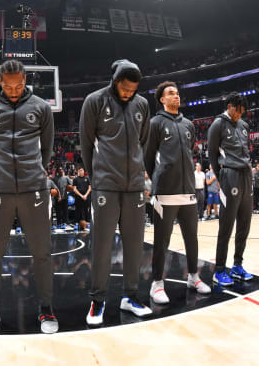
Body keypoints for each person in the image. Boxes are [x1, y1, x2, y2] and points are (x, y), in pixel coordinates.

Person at [0, 60, 57, 335]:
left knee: (42, 254)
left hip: (34, 189)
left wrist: (34, 171)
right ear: (0, 81)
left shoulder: (42, 107)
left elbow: (47, 148)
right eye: (8, 85)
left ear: (25, 80)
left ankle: (46, 309)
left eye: (19, 85)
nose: (13, 90)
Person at [80, 59, 152, 326]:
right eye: (124, 88)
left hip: (134, 186)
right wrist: (97, 175)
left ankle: (130, 296)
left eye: (133, 90)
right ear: (115, 81)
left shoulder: (142, 105)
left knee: (135, 244)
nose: (128, 93)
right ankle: (97, 300)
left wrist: (136, 168)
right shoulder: (94, 101)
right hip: (105, 185)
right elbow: (86, 143)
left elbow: (142, 141)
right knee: (102, 245)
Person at [145, 82, 211, 304]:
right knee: (161, 241)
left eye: (177, 93)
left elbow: (189, 153)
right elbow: (148, 157)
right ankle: (157, 283)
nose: (176, 96)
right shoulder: (155, 123)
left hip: (188, 193)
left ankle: (194, 276)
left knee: (191, 238)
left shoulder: (188, 125)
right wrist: (159, 181)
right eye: (171, 94)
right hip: (164, 194)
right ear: (162, 99)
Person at [207, 93, 254, 286]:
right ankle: (219, 270)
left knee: (244, 224)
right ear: (229, 106)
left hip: (246, 176)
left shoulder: (243, 125)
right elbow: (211, 155)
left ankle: (237, 265)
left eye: (242, 112)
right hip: (229, 176)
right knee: (226, 225)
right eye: (237, 111)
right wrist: (222, 176)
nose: (239, 115)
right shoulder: (218, 124)